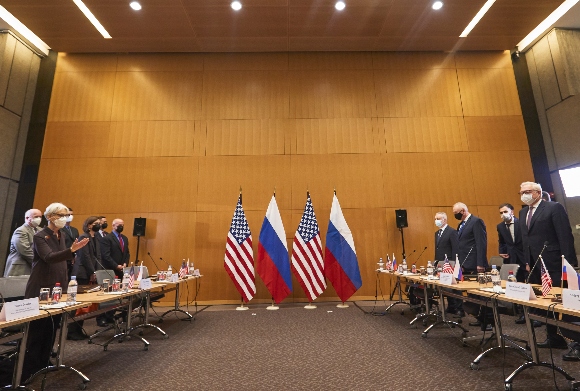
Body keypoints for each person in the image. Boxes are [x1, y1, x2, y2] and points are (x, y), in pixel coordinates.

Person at [22, 203, 88, 381]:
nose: (65, 218)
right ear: (50, 217)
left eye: (67, 214)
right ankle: (30, 366)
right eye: (61, 214)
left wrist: (71, 254)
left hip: (59, 286)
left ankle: (43, 362)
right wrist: (71, 251)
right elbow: (49, 257)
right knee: (38, 329)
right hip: (41, 285)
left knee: (52, 327)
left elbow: (63, 260)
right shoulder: (40, 236)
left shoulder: (63, 235)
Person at [519, 181, 578, 352]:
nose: (524, 195)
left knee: (561, 303)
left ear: (537, 193)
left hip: (554, 262)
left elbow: (565, 235)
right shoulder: (523, 212)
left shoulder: (553, 208)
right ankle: (554, 337)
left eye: (527, 191)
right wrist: (527, 262)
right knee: (543, 303)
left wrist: (568, 263)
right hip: (535, 265)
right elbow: (526, 240)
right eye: (521, 192)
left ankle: (575, 341)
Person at [452, 202, 488, 328]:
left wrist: (480, 263)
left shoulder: (476, 221)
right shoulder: (461, 224)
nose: (455, 215)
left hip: (475, 263)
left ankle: (487, 321)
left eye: (456, 213)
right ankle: (479, 317)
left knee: (480, 294)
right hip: (465, 262)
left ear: (463, 211)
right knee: (472, 295)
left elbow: (481, 243)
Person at [68, 216, 102, 339]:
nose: (99, 225)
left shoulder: (96, 238)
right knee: (77, 303)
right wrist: (92, 272)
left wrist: (96, 271)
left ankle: (78, 330)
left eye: (99, 223)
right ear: (89, 225)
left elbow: (97, 256)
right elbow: (85, 256)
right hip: (82, 272)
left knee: (84, 304)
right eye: (96, 223)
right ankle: (71, 331)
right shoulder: (84, 237)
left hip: (91, 272)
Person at [434, 212, 462, 316]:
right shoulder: (437, 233)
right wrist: (436, 262)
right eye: (435, 218)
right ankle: (451, 307)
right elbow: (437, 249)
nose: (436, 220)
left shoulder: (452, 232)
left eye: (438, 218)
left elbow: (456, 248)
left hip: (450, 262)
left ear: (444, 220)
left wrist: (455, 264)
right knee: (445, 286)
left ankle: (460, 308)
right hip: (441, 263)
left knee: (454, 287)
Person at [3, 209, 42, 276]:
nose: (39, 219)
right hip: (20, 267)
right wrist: (39, 262)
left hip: (32, 267)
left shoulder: (40, 230)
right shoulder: (21, 231)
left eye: (40, 217)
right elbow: (24, 250)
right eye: (36, 217)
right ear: (27, 218)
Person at [62, 207, 80, 280]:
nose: (70, 216)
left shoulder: (74, 230)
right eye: (68, 215)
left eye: (72, 214)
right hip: (63, 257)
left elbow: (77, 243)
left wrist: (75, 256)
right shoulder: (59, 229)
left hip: (73, 259)